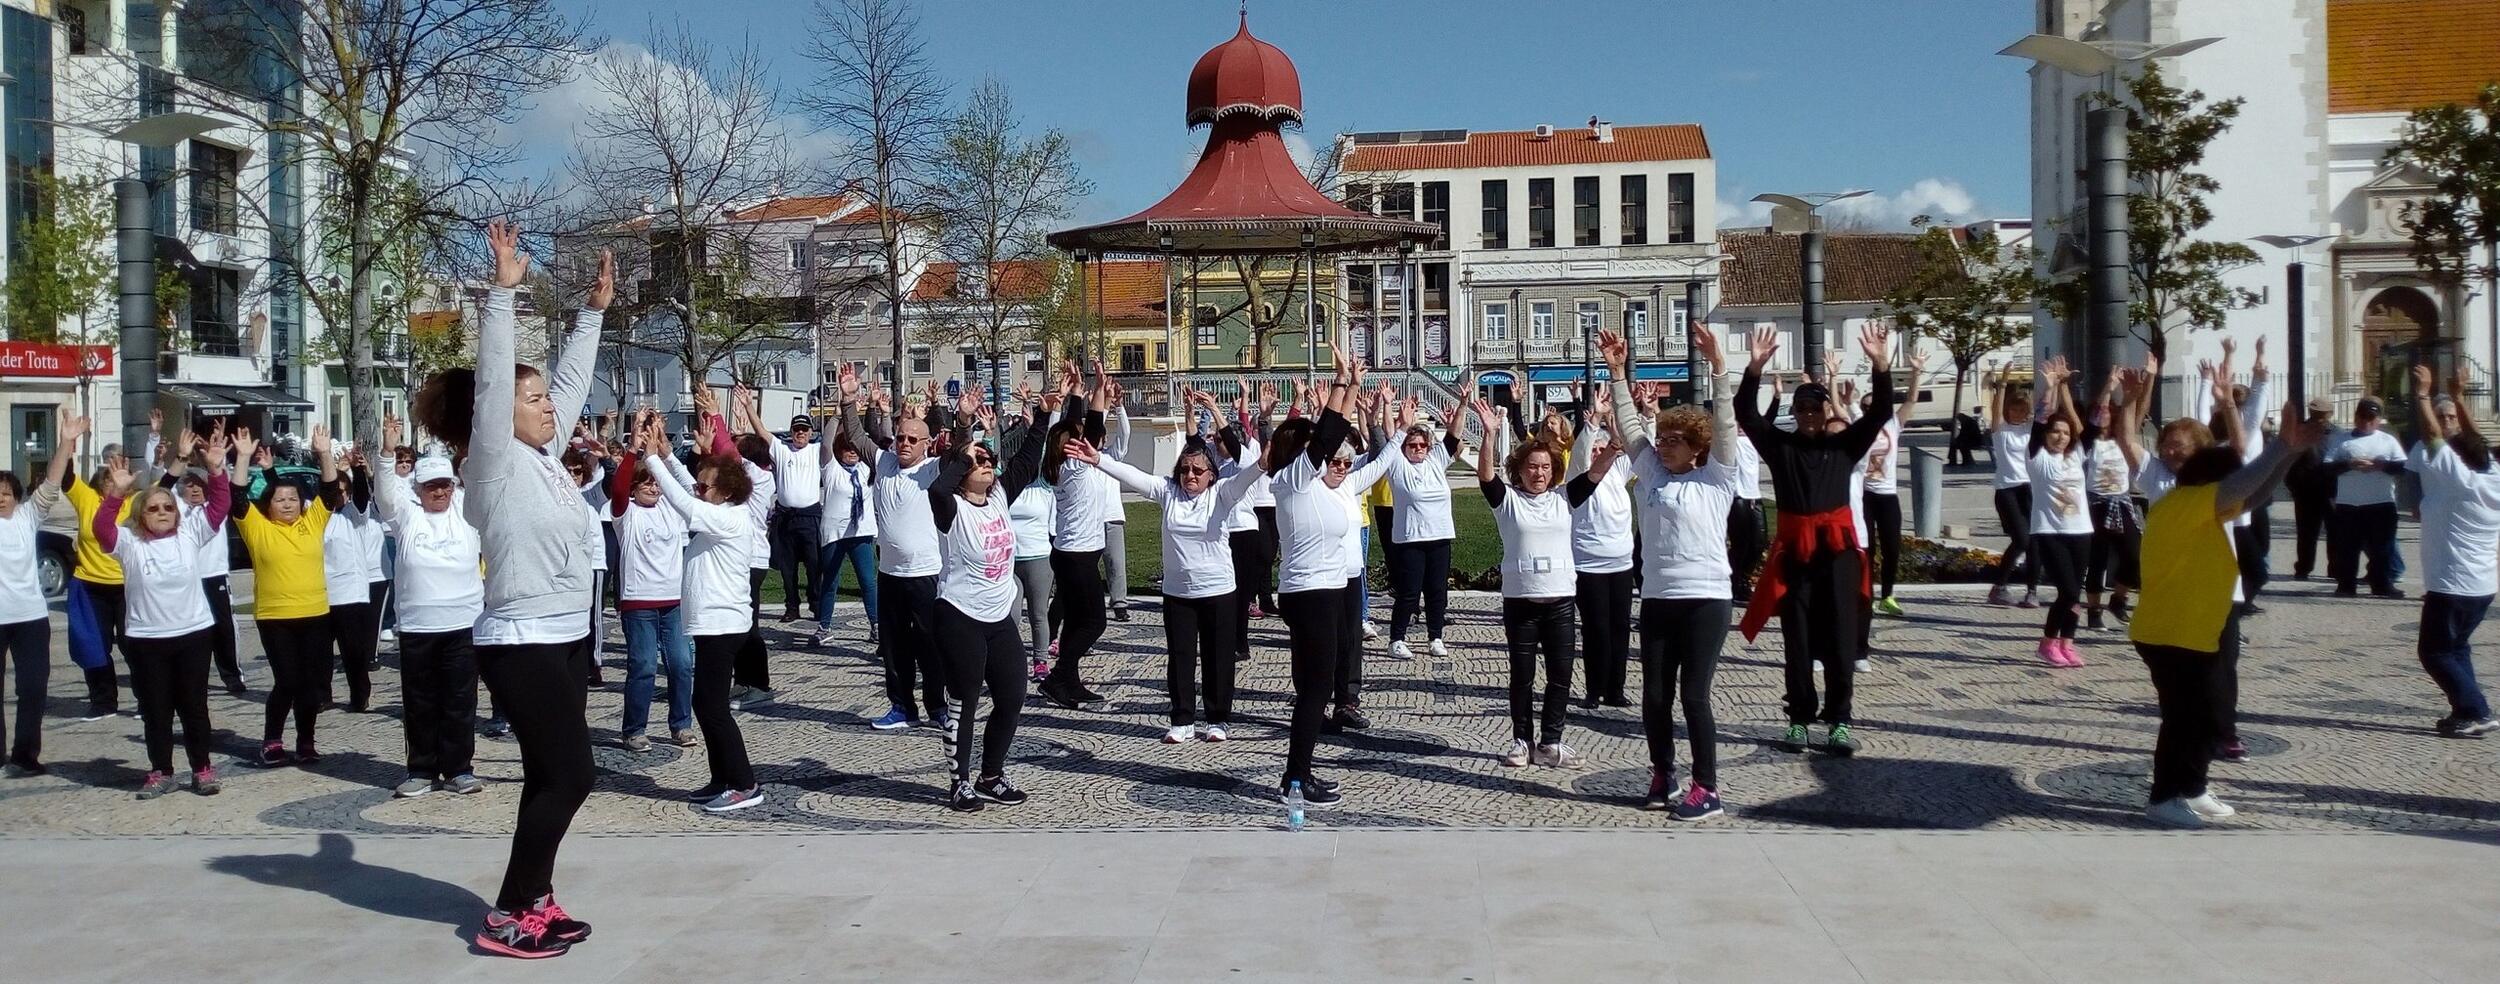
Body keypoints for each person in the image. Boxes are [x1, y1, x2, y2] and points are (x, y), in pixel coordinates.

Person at [410, 223, 608, 959]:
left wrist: (592, 313)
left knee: (545, 777)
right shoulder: (491, 463)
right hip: (518, 641)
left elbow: (571, 386)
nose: (545, 405)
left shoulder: (545, 456)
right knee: (574, 774)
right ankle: (508, 913)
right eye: (531, 399)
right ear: (495, 418)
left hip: (562, 637)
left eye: (541, 397)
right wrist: (502, 296)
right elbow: (494, 387)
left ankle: (538, 899)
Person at [2129, 378, 2314, 828]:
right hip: (2173, 632)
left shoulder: (2198, 502)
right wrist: (2280, 448)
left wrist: (2287, 454)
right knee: (2188, 718)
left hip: (2191, 628)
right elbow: (2244, 484)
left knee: (2207, 715)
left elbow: (2255, 493)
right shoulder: (2188, 500)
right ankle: (2164, 797)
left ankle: (2191, 788)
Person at [1595, 329, 1740, 818]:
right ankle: (1664, 772)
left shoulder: (1717, 477)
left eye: (1673, 441)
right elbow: (1631, 428)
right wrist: (1617, 372)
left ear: (1697, 447)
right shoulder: (1653, 473)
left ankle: (1708, 787)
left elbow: (1726, 428)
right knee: (1655, 696)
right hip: (1658, 598)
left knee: (1693, 695)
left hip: (1705, 599)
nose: (1662, 447)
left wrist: (1719, 366)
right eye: (1661, 440)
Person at [1738, 324, 1895, 757]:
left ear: (1826, 412)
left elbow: (1881, 411)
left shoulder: (1845, 446)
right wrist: (1754, 368)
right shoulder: (1781, 448)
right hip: (1796, 556)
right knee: (1799, 640)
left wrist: (1881, 364)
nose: (1808, 416)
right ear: (1796, 411)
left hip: (1839, 554)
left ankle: (1840, 719)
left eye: (1815, 409)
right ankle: (1798, 719)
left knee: (1842, 638)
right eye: (1802, 409)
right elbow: (1746, 415)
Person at [1077, 388, 1267, 743]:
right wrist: (1098, 459)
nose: (1190, 475)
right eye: (1185, 469)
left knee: (1217, 657)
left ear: (1211, 474)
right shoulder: (1168, 492)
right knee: (1180, 656)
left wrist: (1259, 465)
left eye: (1198, 470)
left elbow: (1246, 474)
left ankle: (1217, 719)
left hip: (1219, 591)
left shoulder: (1222, 494)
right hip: (1178, 593)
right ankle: (1181, 719)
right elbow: (1131, 474)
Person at [636, 408, 767, 813]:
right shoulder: (720, 508)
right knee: (704, 705)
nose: (700, 490)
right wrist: (667, 454)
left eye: (707, 488)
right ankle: (721, 777)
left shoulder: (731, 519)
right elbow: (691, 489)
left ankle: (744, 783)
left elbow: (686, 505)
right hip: (712, 623)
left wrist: (652, 460)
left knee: (712, 707)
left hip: (723, 624)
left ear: (724, 492)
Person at [927, 388, 1047, 811]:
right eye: (980, 462)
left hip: (998, 618)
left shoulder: (997, 496)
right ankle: (959, 782)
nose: (988, 465)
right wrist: (966, 444)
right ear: (961, 470)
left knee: (1013, 694)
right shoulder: (951, 507)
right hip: (959, 615)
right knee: (964, 700)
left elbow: (1029, 462)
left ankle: (991, 775)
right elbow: (938, 486)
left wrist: (1045, 414)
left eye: (989, 460)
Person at [93, 446, 231, 799]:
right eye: (153, 508)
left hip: (193, 634)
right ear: (141, 515)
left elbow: (219, 507)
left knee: (194, 707)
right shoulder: (130, 542)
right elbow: (102, 530)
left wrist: (217, 472)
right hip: (146, 639)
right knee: (156, 710)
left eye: (168, 507)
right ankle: (161, 771)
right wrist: (116, 494)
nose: (162, 513)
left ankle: (202, 768)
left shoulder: (190, 533)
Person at [1270, 340, 1370, 806]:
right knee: (1313, 690)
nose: (1323, 449)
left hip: (1324, 590)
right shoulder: (1292, 479)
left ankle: (1299, 771)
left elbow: (1337, 429)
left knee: (1318, 684)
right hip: (1308, 593)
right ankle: (1296, 778)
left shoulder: (1313, 485)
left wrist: (1352, 385)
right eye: (1312, 444)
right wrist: (1339, 383)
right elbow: (1329, 432)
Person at [372, 413, 488, 798]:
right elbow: (386, 491)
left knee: (459, 700)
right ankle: (421, 769)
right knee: (420, 702)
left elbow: (479, 474)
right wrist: (388, 452)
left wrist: (470, 443)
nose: (439, 492)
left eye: (445, 485)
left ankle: (459, 768)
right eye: (431, 486)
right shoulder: (406, 516)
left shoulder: (466, 513)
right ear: (418, 489)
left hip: (462, 623)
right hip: (419, 626)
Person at [1474, 392, 1586, 769]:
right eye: (1531, 467)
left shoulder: (1564, 497)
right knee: (1521, 676)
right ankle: (1522, 740)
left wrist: (1611, 438)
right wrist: (1489, 434)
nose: (1538, 473)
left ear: (1553, 470)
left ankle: (1551, 741)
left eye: (1544, 467)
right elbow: (1486, 477)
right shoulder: (1508, 500)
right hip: (1521, 600)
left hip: (1560, 600)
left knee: (1560, 675)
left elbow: (1596, 474)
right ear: (1519, 470)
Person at [841, 366, 955, 734]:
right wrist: (848, 399)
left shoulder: (934, 469)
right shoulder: (884, 462)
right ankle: (902, 706)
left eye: (912, 439)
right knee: (894, 648)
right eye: (901, 437)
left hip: (925, 574)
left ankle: (937, 706)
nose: (904, 443)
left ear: (925, 444)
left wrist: (959, 419)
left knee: (930, 645)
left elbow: (961, 452)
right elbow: (856, 435)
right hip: (890, 574)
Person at [230, 427, 336, 768]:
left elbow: (331, 491)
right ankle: (272, 741)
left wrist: (324, 454)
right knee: (287, 680)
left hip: (316, 613)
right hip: (276, 616)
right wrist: (244, 459)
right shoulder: (257, 527)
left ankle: (306, 741)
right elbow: (237, 497)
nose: (287, 504)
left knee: (310, 685)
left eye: (292, 498)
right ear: (269, 505)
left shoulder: (312, 521)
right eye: (280, 499)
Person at [2406, 364, 2500, 738]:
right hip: (2480, 584)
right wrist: (2459, 397)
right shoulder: (2492, 474)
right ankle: (2468, 709)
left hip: (2454, 584)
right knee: (2456, 648)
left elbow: (2432, 435)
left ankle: (2477, 709)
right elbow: (2476, 439)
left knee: (2435, 652)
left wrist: (2423, 394)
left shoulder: (2459, 481)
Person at [1037, 363, 1118, 711]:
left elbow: (1078, 426)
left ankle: (1069, 682)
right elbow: (1094, 428)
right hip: (1077, 556)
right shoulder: (1076, 467)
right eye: (1079, 437)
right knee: (1095, 622)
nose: (1086, 438)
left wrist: (1077, 393)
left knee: (1075, 619)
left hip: (1073, 552)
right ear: (1072, 446)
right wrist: (1097, 390)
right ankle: (1059, 676)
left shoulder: (1064, 466)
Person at [610, 432, 696, 752]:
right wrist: (634, 452)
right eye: (645, 483)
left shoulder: (671, 511)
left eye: (655, 482)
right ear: (635, 487)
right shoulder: (626, 513)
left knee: (682, 664)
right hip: (639, 603)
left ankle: (681, 724)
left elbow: (693, 491)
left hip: (673, 601)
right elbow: (618, 489)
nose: (653, 487)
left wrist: (667, 456)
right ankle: (634, 728)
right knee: (644, 665)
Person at [1563, 382, 1636, 708]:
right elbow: (1580, 453)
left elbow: (1629, 444)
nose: (1597, 454)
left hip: (1621, 562)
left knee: (1620, 627)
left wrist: (1616, 418)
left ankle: (1615, 689)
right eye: (1594, 450)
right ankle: (1594, 689)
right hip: (1588, 564)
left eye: (1602, 450)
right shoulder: (1578, 477)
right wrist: (1593, 422)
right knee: (1595, 629)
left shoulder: (1618, 473)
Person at [2023, 357, 2097, 667]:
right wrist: (2050, 387)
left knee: (2074, 594)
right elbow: (2039, 424)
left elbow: (2087, 429)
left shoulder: (2076, 455)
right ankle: (2046, 642)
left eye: (2065, 433)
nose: (2061, 436)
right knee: (2067, 590)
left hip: (2081, 531)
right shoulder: (2038, 457)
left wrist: (2067, 386)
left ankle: (2067, 643)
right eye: (2056, 432)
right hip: (2049, 532)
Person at [1375, 391, 1459, 662]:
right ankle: (1396, 639)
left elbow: (1454, 437)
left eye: (1422, 445)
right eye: (1413, 445)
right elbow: (1390, 436)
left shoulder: (1436, 462)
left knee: (1437, 591)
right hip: (1410, 539)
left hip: (1440, 536)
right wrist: (1388, 406)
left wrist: (1463, 406)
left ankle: (1435, 636)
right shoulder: (1398, 465)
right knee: (1409, 592)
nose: (1418, 449)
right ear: (1405, 448)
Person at [0, 441, 65, 776]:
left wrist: (67, 442)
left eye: (6, 493)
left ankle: (24, 755)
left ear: (16, 496)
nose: (1, 498)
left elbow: (51, 484)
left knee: (33, 687)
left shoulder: (27, 517)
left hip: (29, 618)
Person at [722, 389, 781, 710]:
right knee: (742, 621)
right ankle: (743, 680)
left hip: (753, 557)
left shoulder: (758, 476)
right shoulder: (761, 475)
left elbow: (727, 450)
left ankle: (759, 684)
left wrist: (724, 416)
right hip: (745, 556)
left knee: (750, 624)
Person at [317, 435, 382, 713]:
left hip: (351, 594)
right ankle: (322, 695)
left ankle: (359, 695)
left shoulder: (354, 515)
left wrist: (355, 469)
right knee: (320, 653)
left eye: (344, 491)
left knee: (354, 652)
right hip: (321, 593)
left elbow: (363, 497)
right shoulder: (317, 516)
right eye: (336, 491)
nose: (339, 495)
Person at [2325, 395, 2407, 599]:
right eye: (2362, 417)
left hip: (2381, 502)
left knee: (2383, 548)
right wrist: (2349, 465)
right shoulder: (2341, 440)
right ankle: (2346, 585)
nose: (2366, 422)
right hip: (2349, 504)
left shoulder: (2387, 440)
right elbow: (2326, 467)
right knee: (2347, 548)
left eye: (2371, 418)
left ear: (2378, 419)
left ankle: (2381, 584)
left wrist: (2381, 466)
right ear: (2355, 417)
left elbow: (2402, 467)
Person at [1862, 351, 1924, 617]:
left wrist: (1916, 372)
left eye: (1871, 405)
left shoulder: (1892, 424)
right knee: (1866, 548)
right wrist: (1831, 380)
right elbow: (1840, 409)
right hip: (1864, 494)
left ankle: (1888, 595)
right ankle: (1866, 595)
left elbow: (1911, 399)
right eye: (1864, 407)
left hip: (1888, 495)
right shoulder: (1859, 426)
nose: (1868, 409)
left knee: (1891, 547)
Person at [2082, 368, 2144, 629]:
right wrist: (2108, 387)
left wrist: (2147, 380)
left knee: (2135, 556)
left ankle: (2119, 598)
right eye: (2102, 412)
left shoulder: (2123, 441)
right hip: (2096, 503)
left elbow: (2138, 412)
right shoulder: (2087, 441)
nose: (2105, 415)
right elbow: (2097, 416)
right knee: (2097, 560)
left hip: (2121, 502)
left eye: (2110, 412)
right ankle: (2094, 610)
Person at [813, 432, 879, 649]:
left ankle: (876, 624)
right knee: (830, 580)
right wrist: (836, 416)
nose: (852, 452)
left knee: (868, 581)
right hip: (835, 533)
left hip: (861, 532)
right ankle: (824, 626)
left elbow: (877, 441)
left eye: (855, 448)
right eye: (846, 448)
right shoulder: (832, 469)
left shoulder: (866, 469)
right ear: (839, 450)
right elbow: (825, 444)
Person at [1984, 363, 2040, 608]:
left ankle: (2032, 590)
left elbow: (2046, 411)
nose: (2018, 413)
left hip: (2030, 488)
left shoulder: (2030, 431)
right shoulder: (2000, 430)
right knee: (2021, 539)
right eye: (2014, 408)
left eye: (2022, 409)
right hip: (2007, 488)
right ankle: (2000, 586)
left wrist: (2055, 384)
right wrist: (2003, 381)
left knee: (2036, 540)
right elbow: (1995, 409)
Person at [768, 413, 825, 626]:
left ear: (811, 432)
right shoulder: (782, 449)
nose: (800, 433)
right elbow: (763, 433)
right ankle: (792, 606)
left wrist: (841, 410)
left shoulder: (816, 450)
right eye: (796, 429)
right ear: (791, 432)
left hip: (810, 516)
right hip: (785, 517)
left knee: (814, 564)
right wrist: (747, 406)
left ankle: (816, 602)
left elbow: (833, 435)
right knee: (787, 566)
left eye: (804, 429)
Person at [2286, 397, 2336, 580]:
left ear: (2329, 414)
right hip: (2305, 490)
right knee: (2306, 532)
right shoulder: (2298, 431)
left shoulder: (2337, 433)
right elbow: (2288, 463)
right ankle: (2303, 567)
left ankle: (2335, 568)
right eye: (2315, 413)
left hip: (2332, 490)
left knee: (2335, 532)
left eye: (2321, 414)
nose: (2318, 417)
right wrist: (2293, 487)